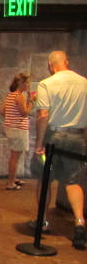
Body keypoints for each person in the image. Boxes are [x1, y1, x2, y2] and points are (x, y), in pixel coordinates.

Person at [34, 51, 87, 249]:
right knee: (73, 181)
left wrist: (39, 144)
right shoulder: (84, 83)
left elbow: (43, 116)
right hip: (77, 137)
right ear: (67, 62)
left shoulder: (46, 84)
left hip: (53, 137)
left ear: (50, 65)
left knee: (44, 178)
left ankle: (43, 221)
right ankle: (79, 221)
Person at [1, 73, 34, 190]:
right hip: (18, 129)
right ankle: (11, 183)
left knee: (14, 156)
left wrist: (11, 117)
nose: (28, 85)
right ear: (21, 83)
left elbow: (2, 111)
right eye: (27, 82)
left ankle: (13, 178)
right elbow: (25, 113)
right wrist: (31, 102)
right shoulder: (20, 96)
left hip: (11, 128)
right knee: (15, 157)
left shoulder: (11, 95)